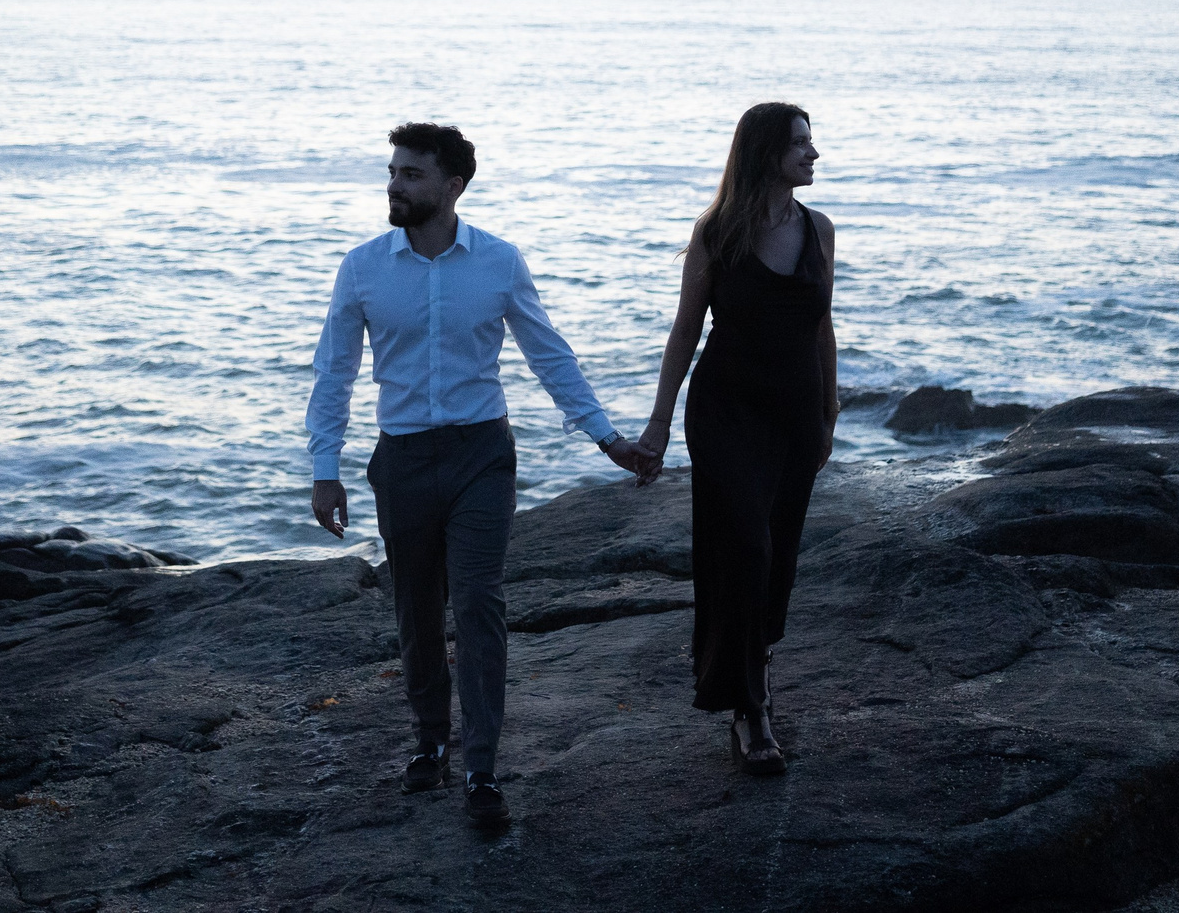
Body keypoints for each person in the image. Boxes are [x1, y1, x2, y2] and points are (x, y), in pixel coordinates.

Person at [306, 122, 651, 828]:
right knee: (416, 610)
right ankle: (431, 739)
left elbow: (548, 355)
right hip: (401, 457)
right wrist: (324, 468)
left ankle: (482, 764)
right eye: (394, 171)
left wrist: (606, 437)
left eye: (411, 174)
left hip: (481, 456)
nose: (395, 184)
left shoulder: (498, 262)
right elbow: (334, 371)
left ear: (452, 185)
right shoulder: (363, 266)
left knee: (479, 602)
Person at [631, 102, 837, 775]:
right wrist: (658, 425)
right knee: (746, 543)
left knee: (776, 554)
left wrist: (829, 412)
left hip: (796, 414)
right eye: (800, 144)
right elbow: (685, 332)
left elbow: (822, 327)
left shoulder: (820, 229)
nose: (813, 154)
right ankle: (752, 708)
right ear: (764, 153)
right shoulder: (718, 232)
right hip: (725, 410)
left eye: (812, 142)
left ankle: (756, 661)